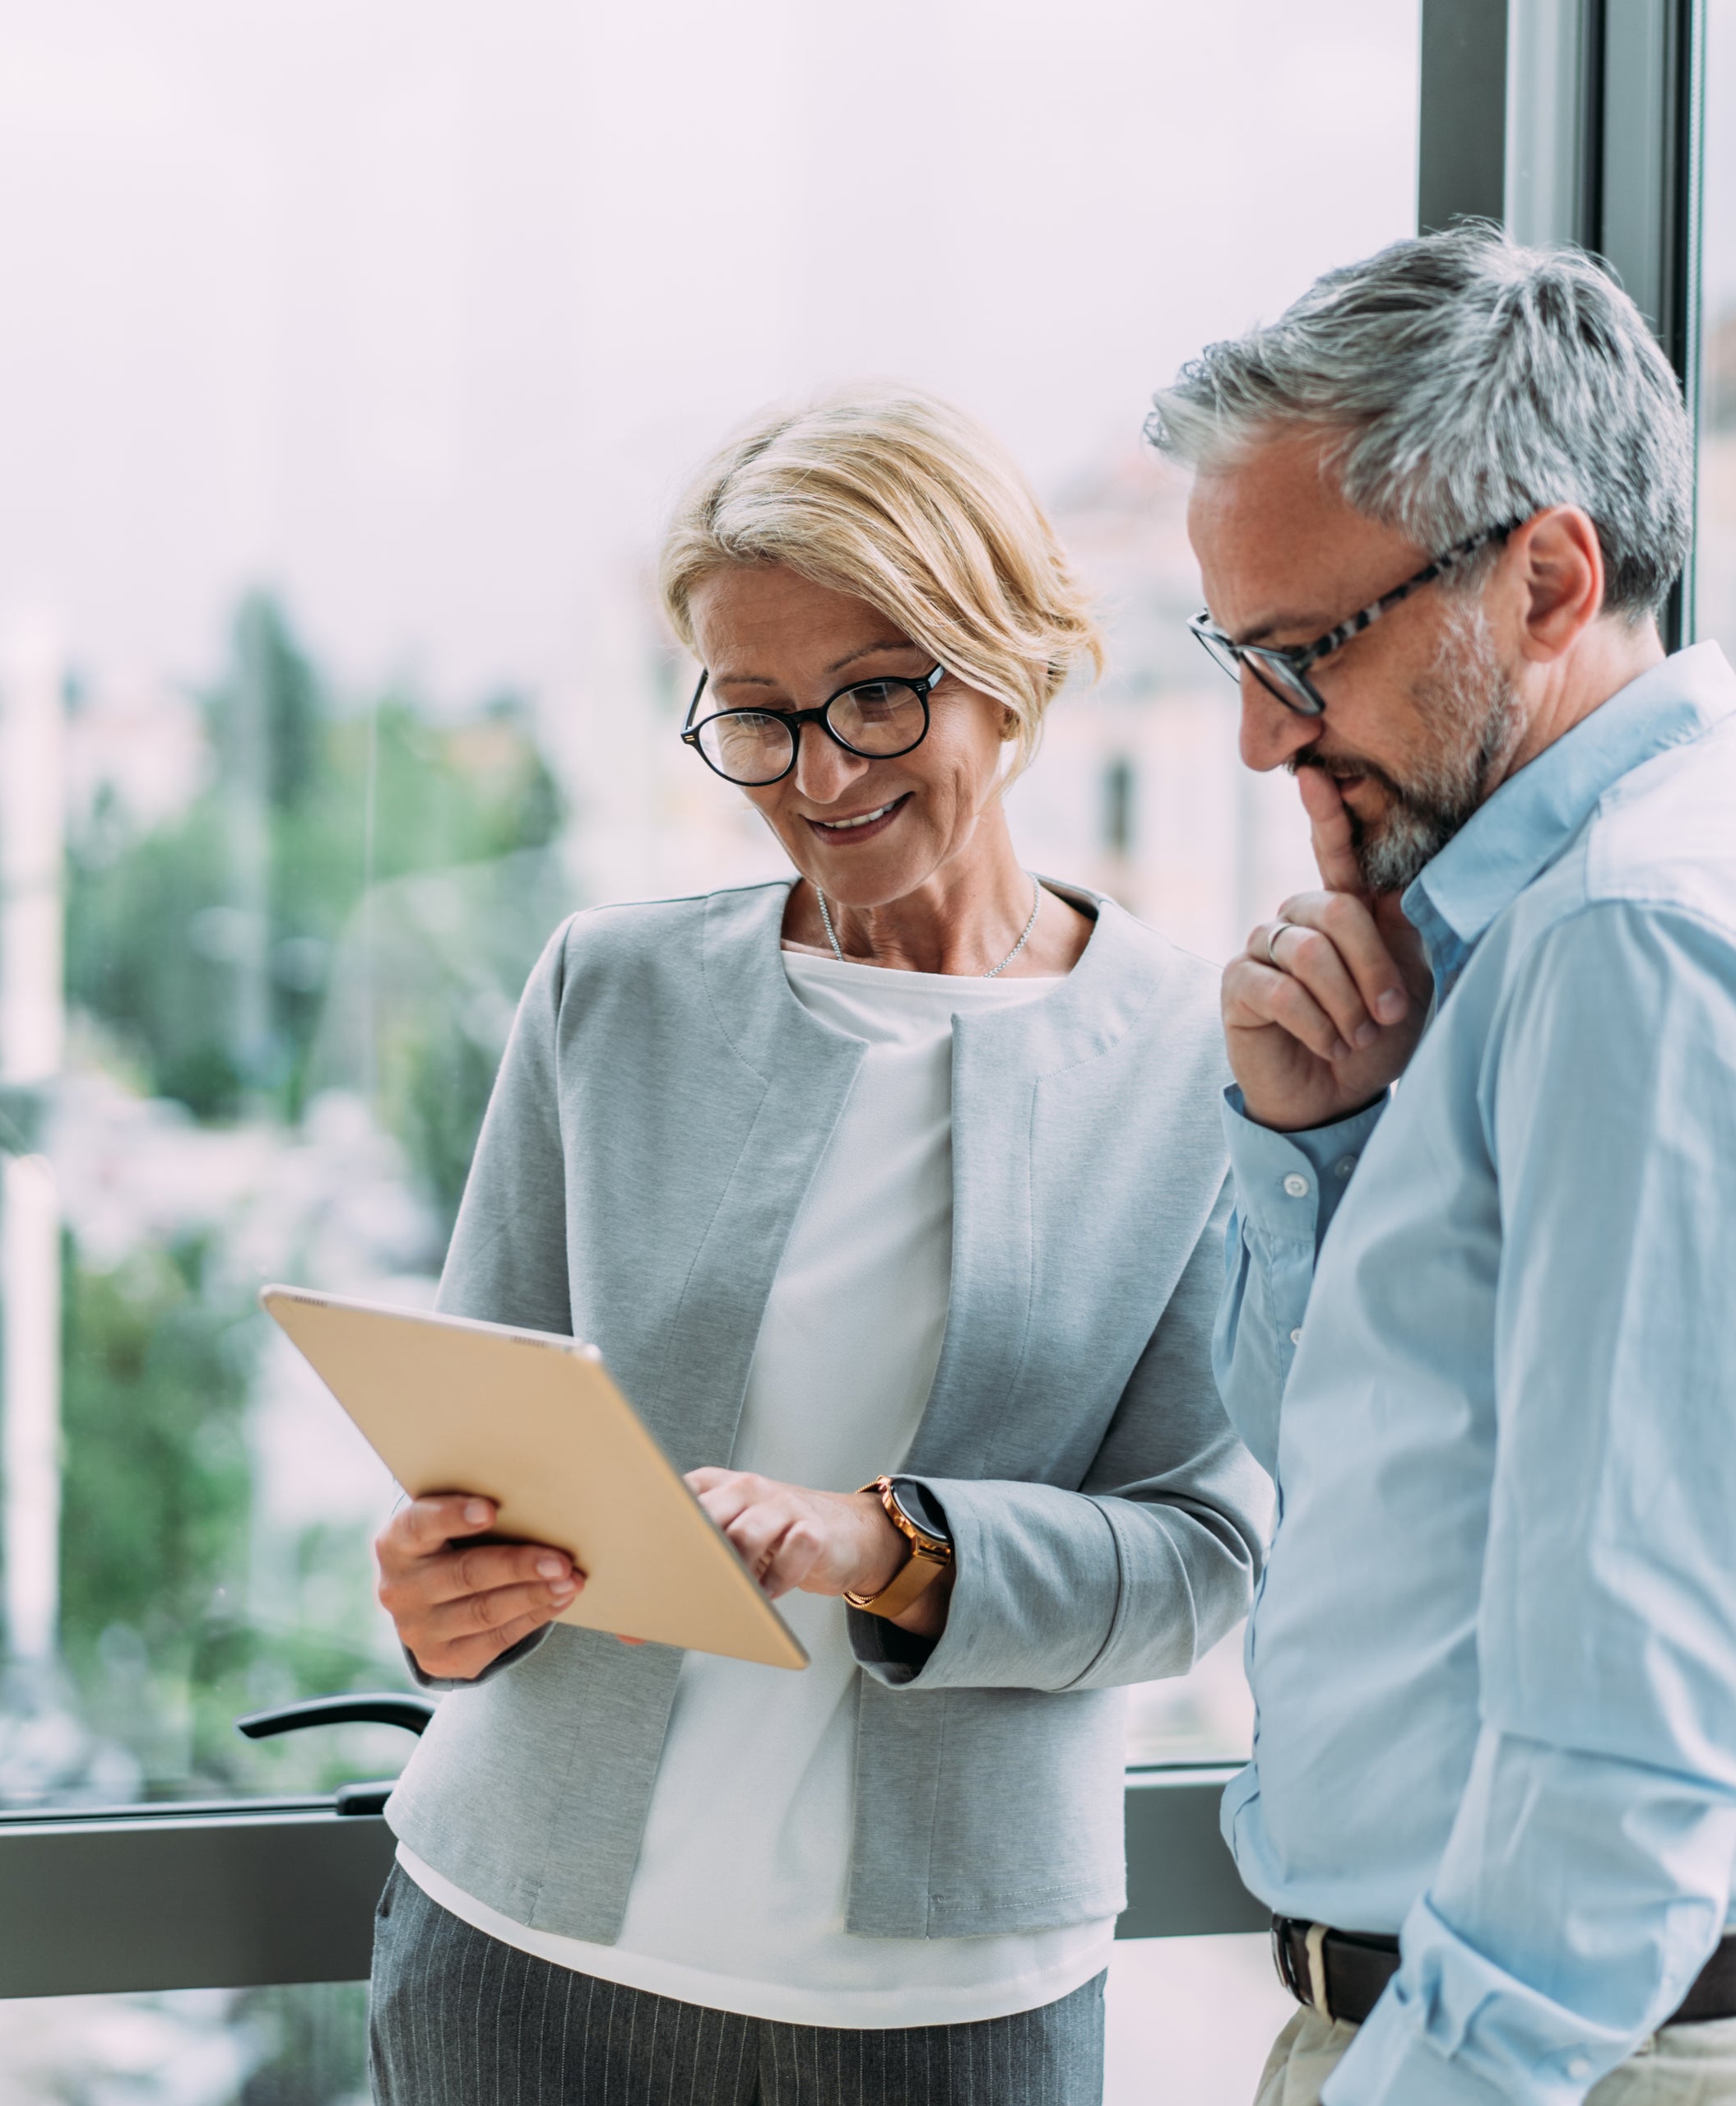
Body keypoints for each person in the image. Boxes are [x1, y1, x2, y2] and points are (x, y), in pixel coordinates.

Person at [359, 385, 1270, 2106]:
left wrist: (893, 1544)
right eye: (760, 716)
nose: (823, 773)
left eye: (875, 694)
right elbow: (472, 1446)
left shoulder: (1195, 1059)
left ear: (1008, 664)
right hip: (518, 1948)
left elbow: (1203, 1559)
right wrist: (433, 1591)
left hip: (948, 2005)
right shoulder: (607, 993)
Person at [1147, 226, 1736, 2106]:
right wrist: (1316, 1141)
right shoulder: (1529, 934)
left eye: (1303, 654)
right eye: (1233, 653)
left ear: (1547, 575)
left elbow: (1637, 1723)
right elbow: (1367, 1456)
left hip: (1588, 2057)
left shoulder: (1652, 944)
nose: (1264, 732)